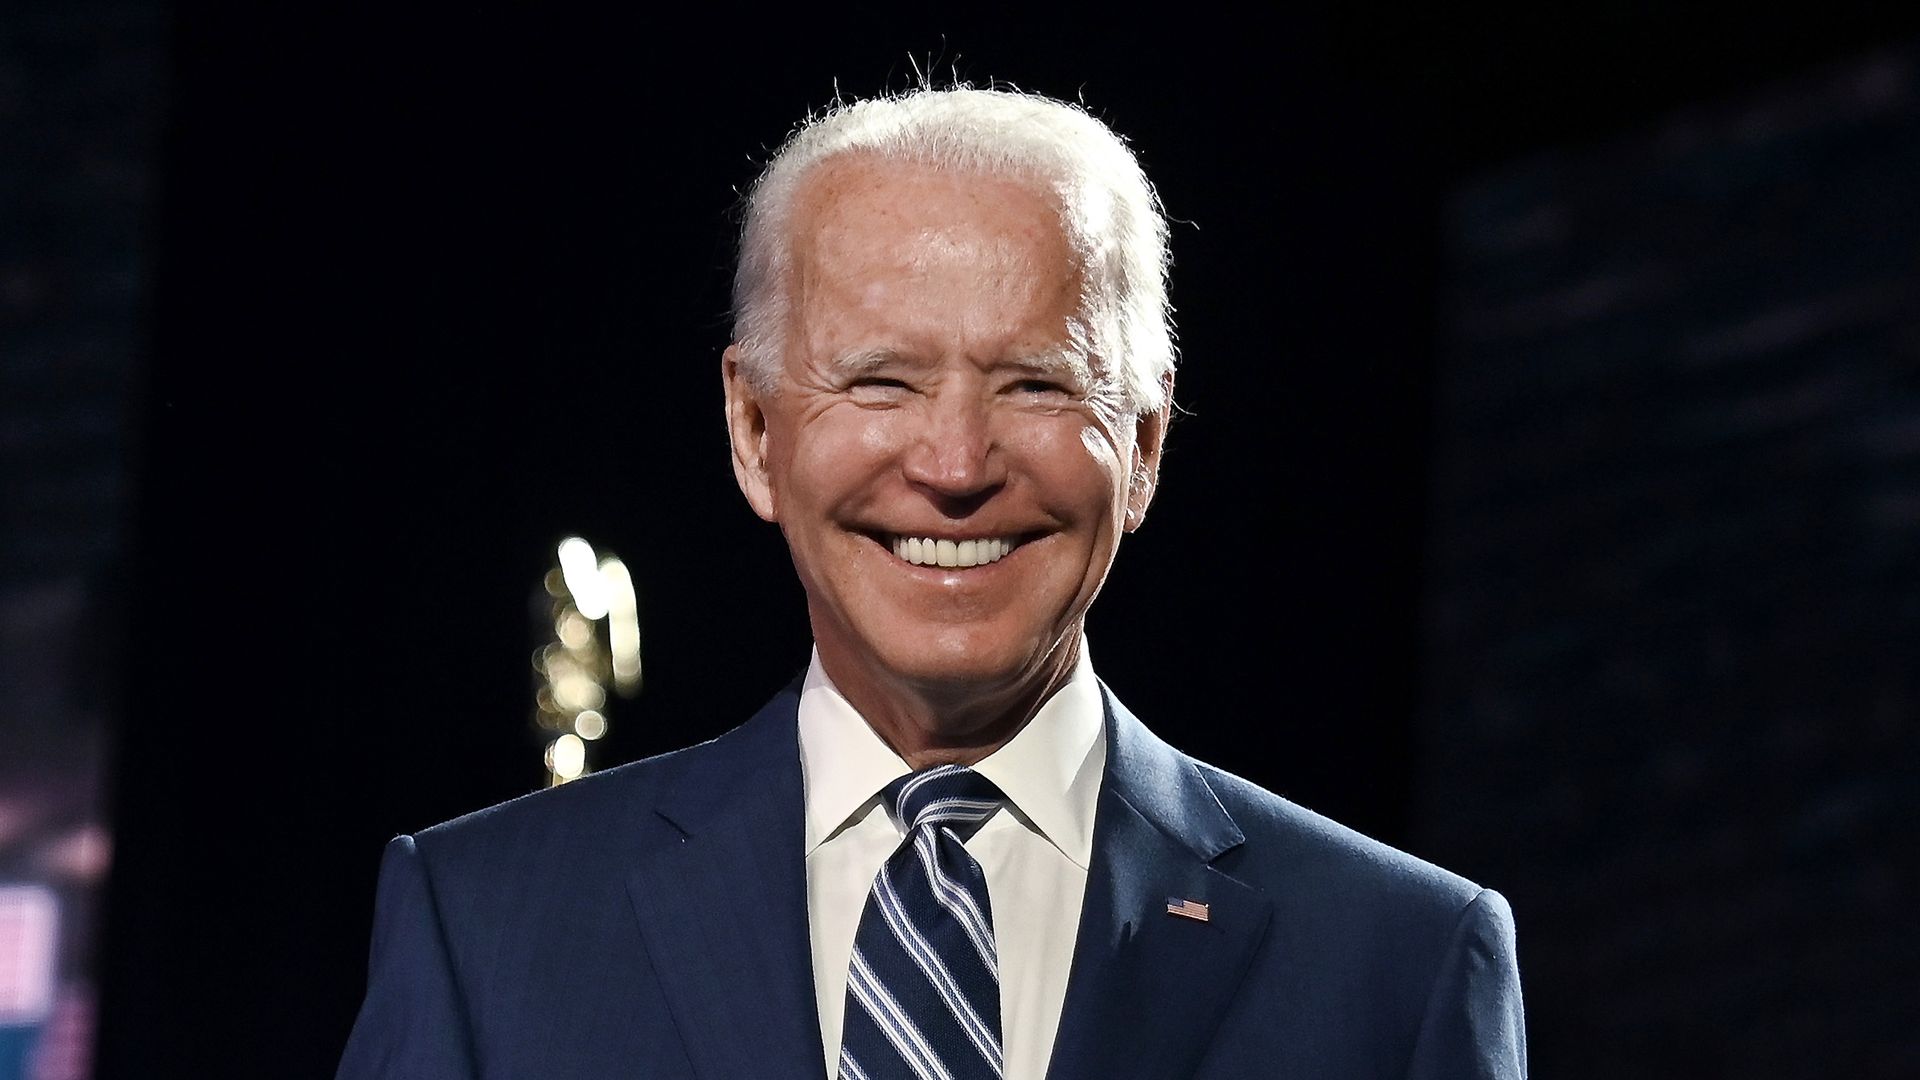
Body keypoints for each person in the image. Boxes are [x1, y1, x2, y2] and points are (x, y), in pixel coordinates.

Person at [336, 86, 1526, 1080]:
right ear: (754, 429)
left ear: (1147, 446)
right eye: (881, 383)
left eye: (1038, 384)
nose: (956, 467)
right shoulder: (486, 929)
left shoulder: (1398, 966)